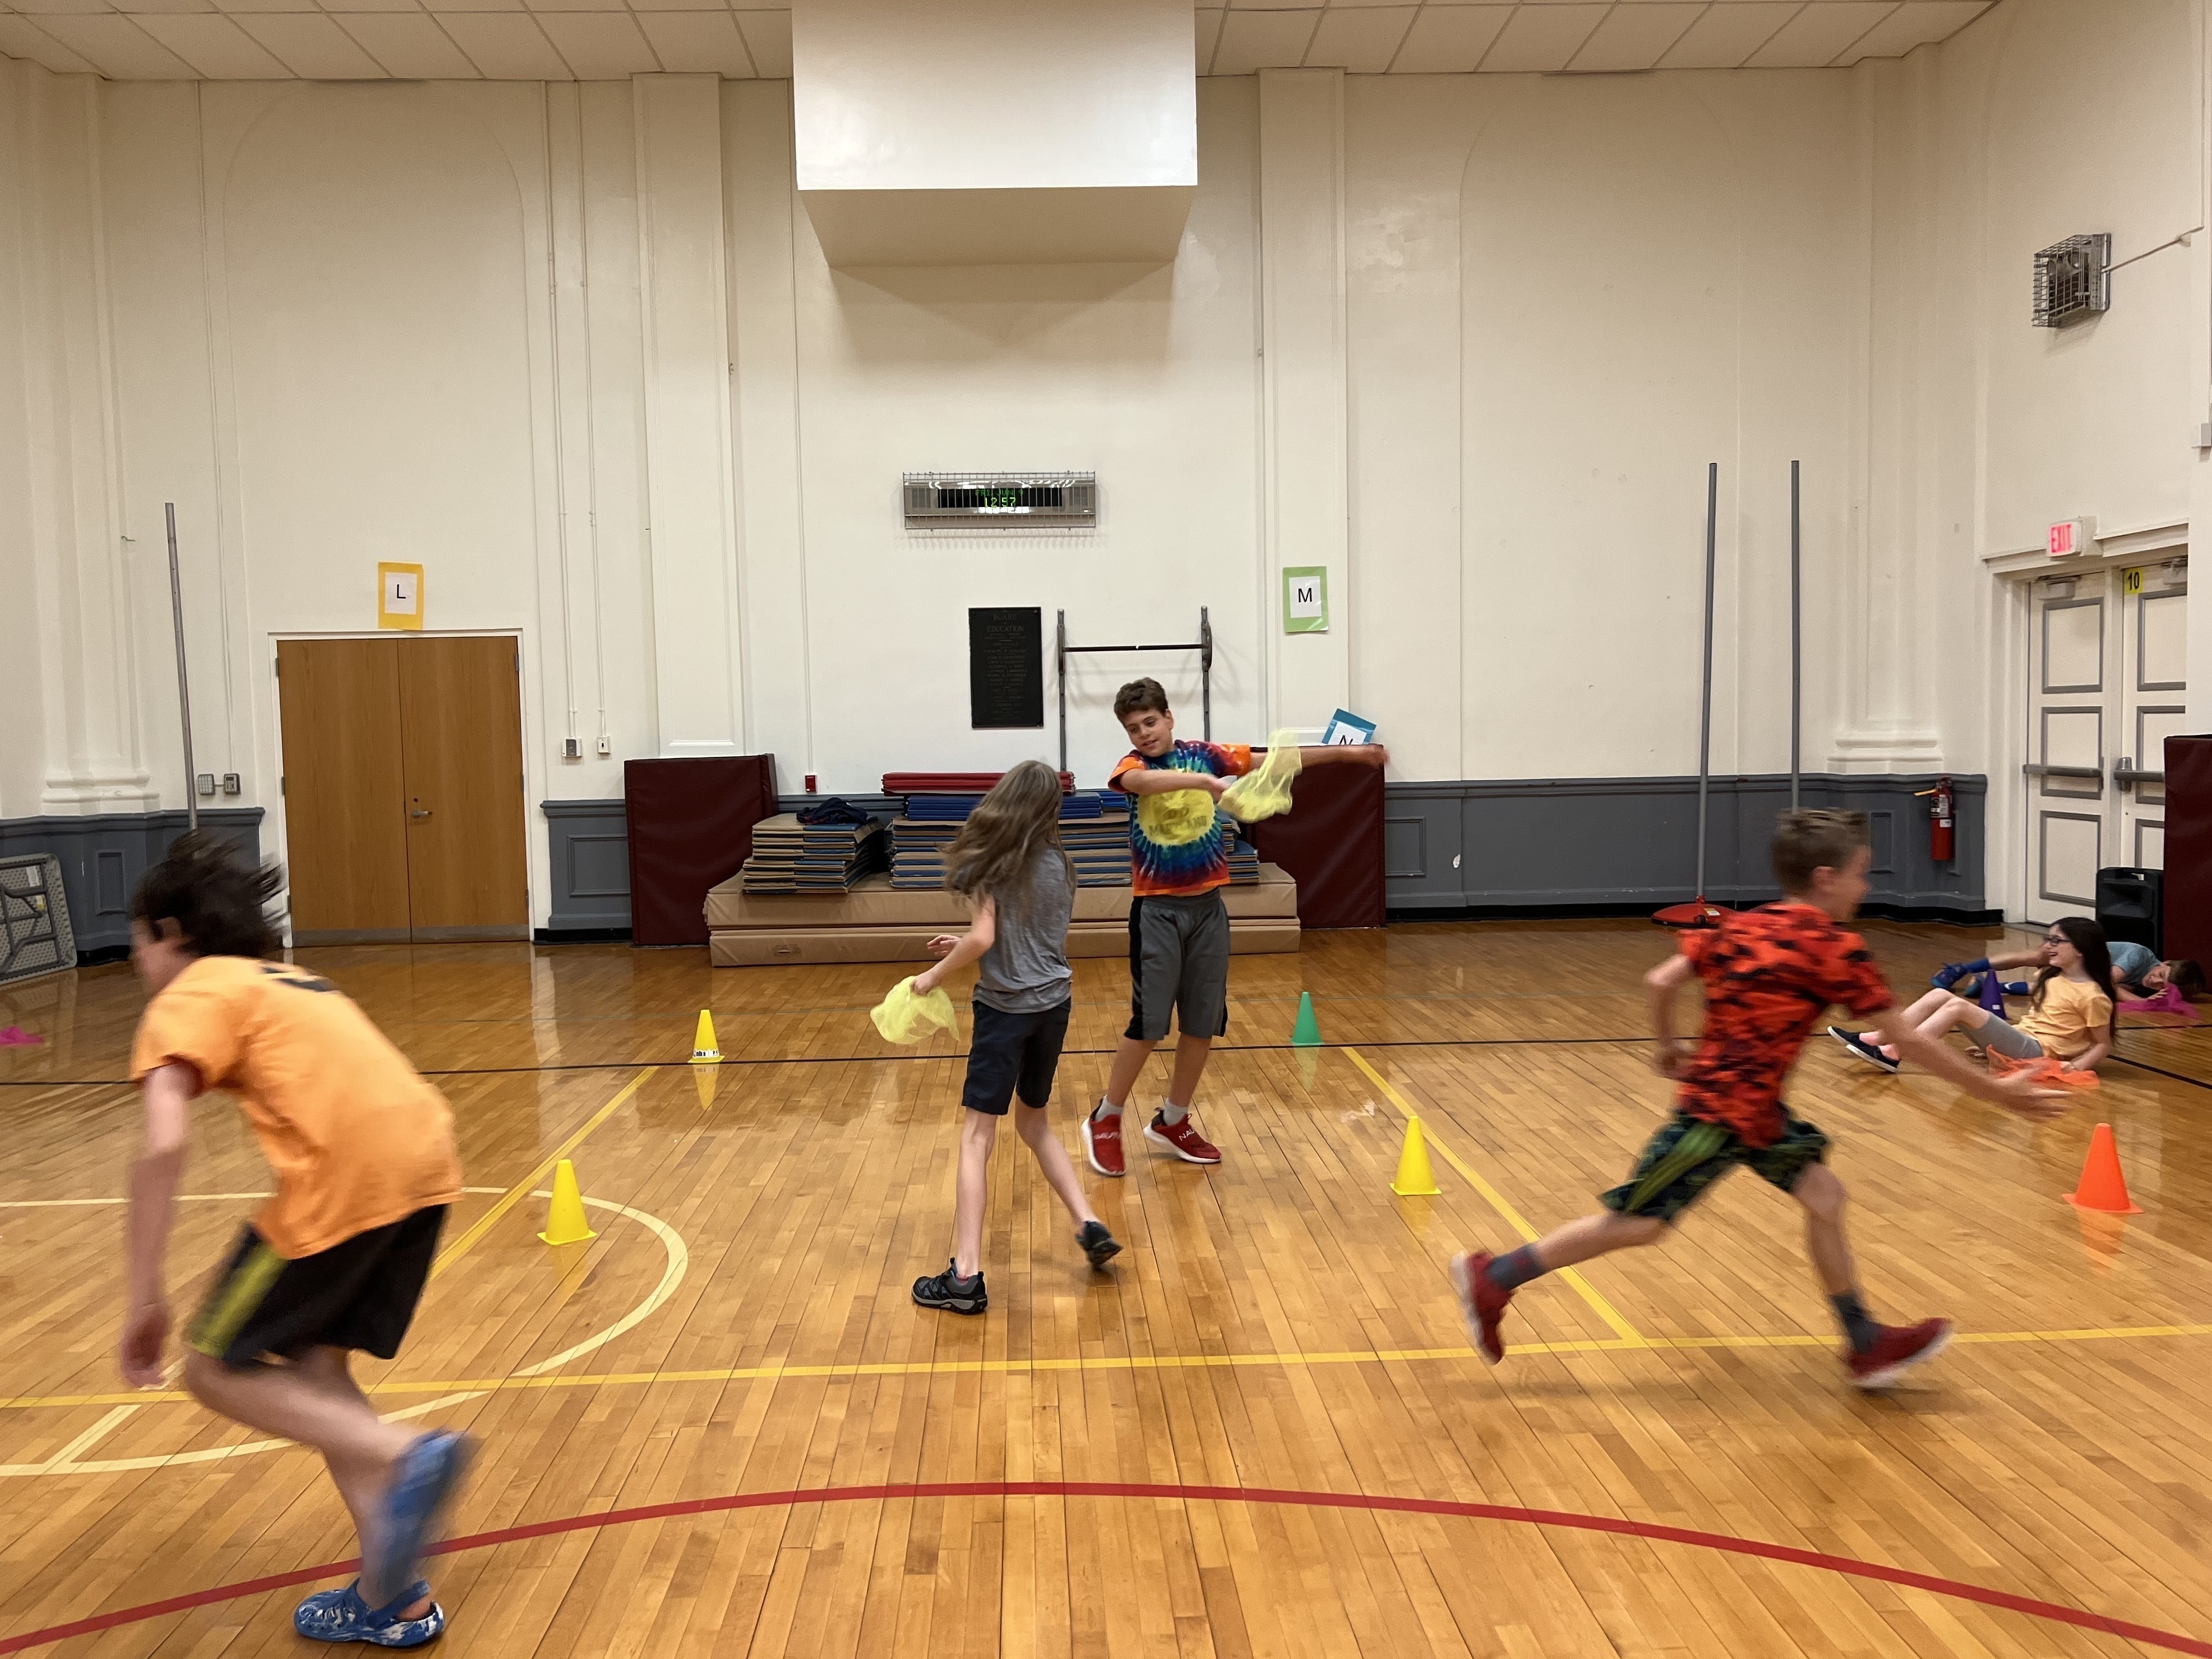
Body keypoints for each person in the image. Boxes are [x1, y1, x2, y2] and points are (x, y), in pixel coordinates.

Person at [1452, 810, 2065, 1390]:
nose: (1866, 885)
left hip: (1755, 1112)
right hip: (1719, 1116)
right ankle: (1496, 1276)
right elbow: (1905, 1040)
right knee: (1637, 1224)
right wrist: (1995, 1092)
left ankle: (1864, 1342)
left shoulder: (1737, 927)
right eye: (1860, 872)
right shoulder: (1834, 948)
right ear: (1825, 879)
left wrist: (1668, 1047)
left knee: (1824, 1196)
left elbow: (1659, 981)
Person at [117, 833, 472, 1647]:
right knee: (317, 1370)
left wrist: (144, 1295)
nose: (137, 961)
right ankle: (393, 1597)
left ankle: (409, 1451)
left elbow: (164, 1144)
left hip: (343, 1176)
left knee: (211, 1367)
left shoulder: (191, 989)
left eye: (139, 941)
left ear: (170, 932)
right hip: (426, 1163)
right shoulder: (290, 978)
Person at [1081, 679, 1389, 1177]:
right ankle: (1106, 1116)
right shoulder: (1134, 767)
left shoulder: (1206, 754)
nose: (1144, 733)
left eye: (1151, 722)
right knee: (1149, 1024)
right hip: (1157, 914)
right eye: (1134, 728)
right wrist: (1207, 784)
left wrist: (1348, 755)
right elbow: (1140, 784)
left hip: (1208, 911)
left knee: (1202, 1023)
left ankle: (1172, 1120)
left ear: (1169, 718)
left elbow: (1275, 759)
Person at [910, 761, 1121, 1314]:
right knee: (1034, 1122)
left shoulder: (995, 863)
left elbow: (985, 938)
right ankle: (1088, 1221)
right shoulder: (1061, 865)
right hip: (1054, 1005)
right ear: (1051, 809)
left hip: (1005, 1011)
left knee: (976, 1138)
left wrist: (934, 975)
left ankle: (964, 1276)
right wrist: (965, 941)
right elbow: (1025, 935)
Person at [1831, 914, 2117, 1075]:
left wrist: (2075, 1067)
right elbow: (2036, 1021)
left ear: (2080, 949)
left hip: (2038, 1052)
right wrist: (1997, 1043)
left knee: (1957, 1007)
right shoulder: (2050, 976)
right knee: (1940, 995)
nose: (2048, 946)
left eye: (2057, 941)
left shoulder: (2093, 996)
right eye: (2048, 939)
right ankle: (1879, 1037)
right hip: (2023, 1042)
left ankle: (1895, 1053)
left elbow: (2102, 1044)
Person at [1932, 936, 2200, 1002]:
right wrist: (2143, 1004)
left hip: (2082, 971)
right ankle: (1960, 969)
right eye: (2160, 975)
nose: (2155, 982)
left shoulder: (2150, 986)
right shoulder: (2140, 955)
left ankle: (1993, 987)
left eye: (2162, 986)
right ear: (2164, 963)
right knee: (2038, 957)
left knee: (2068, 989)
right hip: (2075, 951)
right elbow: (2107, 983)